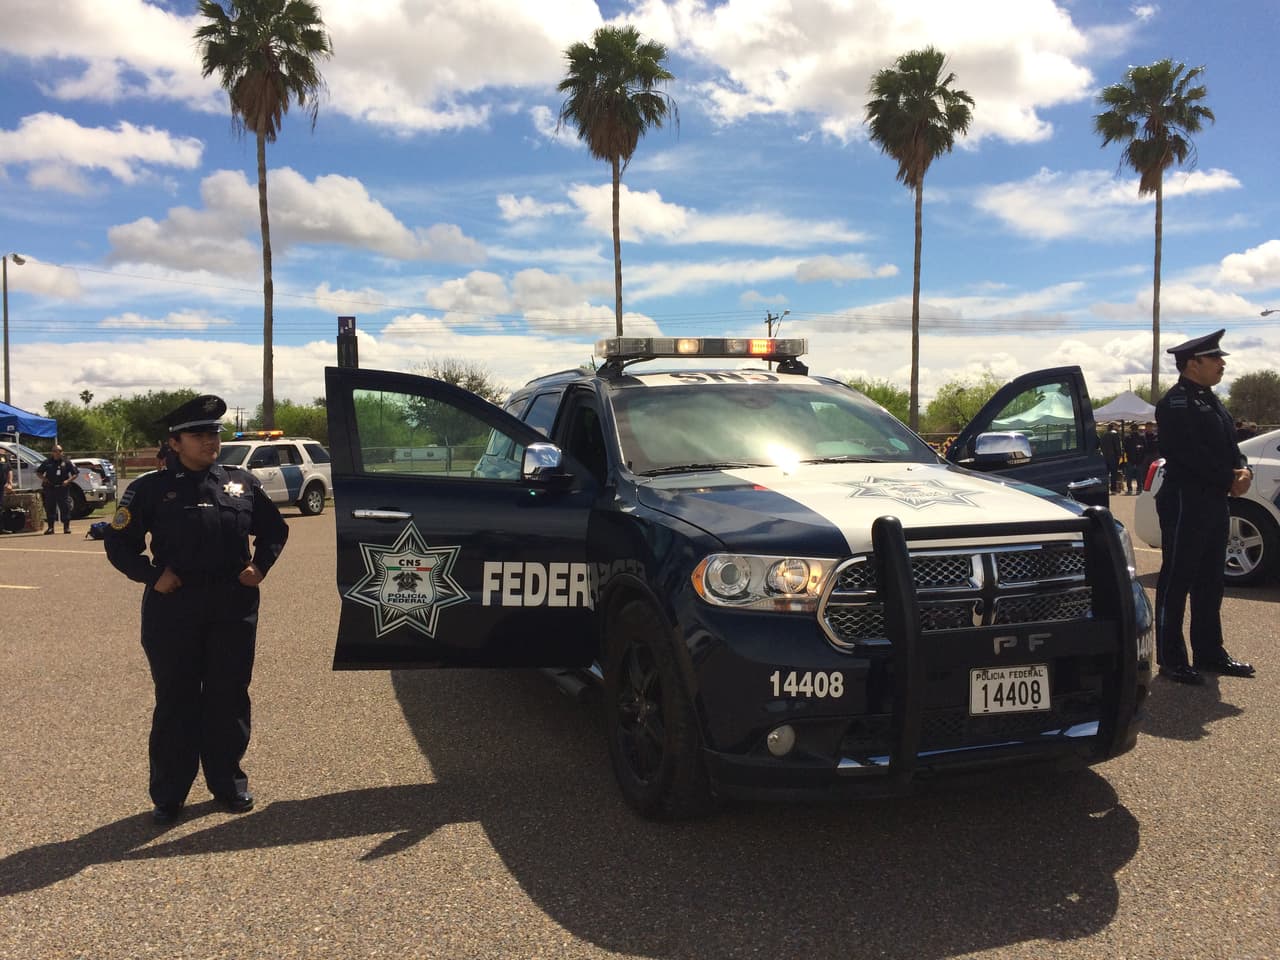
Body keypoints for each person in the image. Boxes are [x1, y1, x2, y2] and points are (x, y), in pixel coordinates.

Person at [104, 395, 289, 824]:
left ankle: (228, 784)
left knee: (228, 697)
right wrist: (151, 576)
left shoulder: (241, 483)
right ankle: (169, 794)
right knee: (177, 700)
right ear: (175, 441)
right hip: (175, 607)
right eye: (199, 434)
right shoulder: (148, 489)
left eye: (214, 434)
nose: (210, 441)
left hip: (232, 606)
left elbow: (274, 529)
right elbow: (119, 542)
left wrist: (260, 566)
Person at [1153, 329, 1256, 685]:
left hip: (1213, 501)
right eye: (1215, 358)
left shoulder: (1213, 401)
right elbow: (1186, 455)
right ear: (1192, 364)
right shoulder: (1175, 403)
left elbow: (1232, 444)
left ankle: (1210, 652)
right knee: (1177, 579)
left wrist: (1244, 469)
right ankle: (1171, 658)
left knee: (1211, 581)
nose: (1222, 363)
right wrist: (1228, 477)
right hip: (1186, 502)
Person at [35, 444, 78, 534]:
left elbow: (75, 473)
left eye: (60, 451)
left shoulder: (66, 462)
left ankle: (66, 527)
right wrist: (45, 479)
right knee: (50, 507)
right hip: (50, 488)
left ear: (62, 452)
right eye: (55, 451)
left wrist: (68, 481)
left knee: (65, 507)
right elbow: (39, 472)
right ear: (52, 452)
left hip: (62, 488)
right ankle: (51, 528)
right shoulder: (47, 462)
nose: (57, 453)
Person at [1122, 423, 1146, 494]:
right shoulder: (1142, 437)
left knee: (1129, 475)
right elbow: (1145, 448)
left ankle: (1129, 489)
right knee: (1139, 476)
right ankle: (1139, 489)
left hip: (1130, 459)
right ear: (1137, 429)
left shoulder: (1127, 438)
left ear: (1131, 429)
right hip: (1140, 459)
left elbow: (1125, 448)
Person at [1100, 421, 1123, 494]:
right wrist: (1119, 455)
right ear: (1113, 427)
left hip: (1105, 456)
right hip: (1113, 457)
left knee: (1106, 473)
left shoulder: (1103, 435)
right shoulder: (1115, 434)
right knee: (1114, 473)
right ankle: (1113, 488)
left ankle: (1105, 489)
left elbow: (1101, 446)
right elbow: (1117, 446)